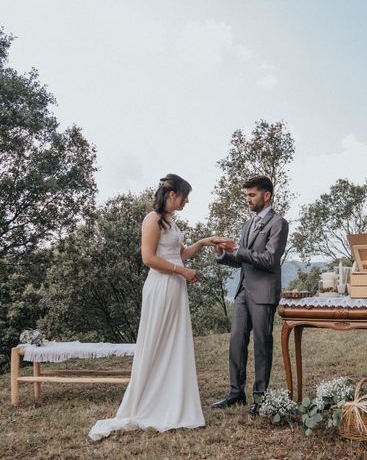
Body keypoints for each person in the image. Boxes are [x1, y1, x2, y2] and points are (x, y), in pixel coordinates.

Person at [89, 174, 219, 440]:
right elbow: (148, 258)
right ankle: (150, 401)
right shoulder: (152, 219)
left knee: (174, 343)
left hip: (174, 288)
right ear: (172, 195)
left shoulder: (171, 221)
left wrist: (204, 242)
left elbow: (181, 253)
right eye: (185, 196)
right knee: (158, 342)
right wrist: (181, 272)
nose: (187, 201)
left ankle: (172, 401)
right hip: (161, 286)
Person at [210, 175, 289, 415]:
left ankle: (261, 398)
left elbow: (269, 259)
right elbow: (241, 260)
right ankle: (236, 393)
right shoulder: (248, 224)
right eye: (247, 195)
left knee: (262, 345)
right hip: (243, 292)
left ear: (267, 195)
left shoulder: (279, 223)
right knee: (236, 342)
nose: (248, 199)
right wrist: (223, 254)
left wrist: (237, 248)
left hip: (264, 292)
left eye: (252, 195)